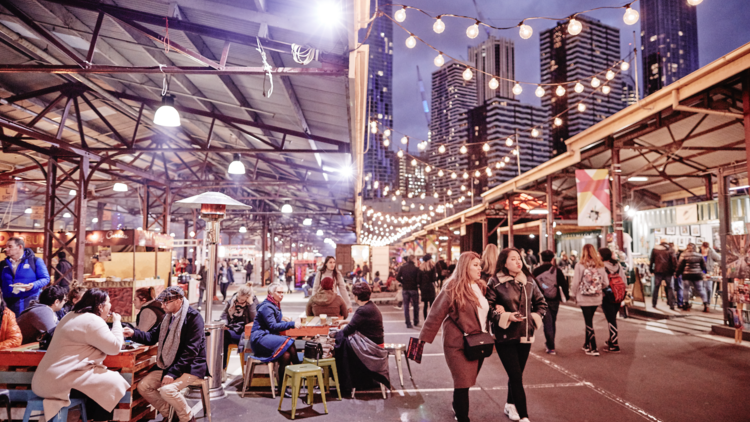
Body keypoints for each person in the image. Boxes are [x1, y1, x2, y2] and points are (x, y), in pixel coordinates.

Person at [32, 289, 130, 421]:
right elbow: (115, 347)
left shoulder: (71, 315)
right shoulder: (92, 320)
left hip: (46, 379)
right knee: (113, 383)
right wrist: (117, 322)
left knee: (103, 383)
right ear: (100, 307)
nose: (110, 307)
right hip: (61, 381)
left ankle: (88, 418)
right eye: (109, 303)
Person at [419, 252, 488, 422]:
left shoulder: (480, 286)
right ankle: (462, 416)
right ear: (465, 267)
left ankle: (457, 405)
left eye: (479, 265)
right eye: (475, 265)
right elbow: (436, 314)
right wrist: (422, 340)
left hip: (478, 342)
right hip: (457, 343)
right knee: (463, 381)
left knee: (468, 380)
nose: (480, 268)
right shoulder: (452, 287)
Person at [123, 287, 208, 422]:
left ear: (179, 301)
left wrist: (172, 373)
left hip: (191, 367)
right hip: (171, 365)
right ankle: (170, 415)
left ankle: (188, 418)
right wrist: (133, 333)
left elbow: (191, 350)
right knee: (143, 386)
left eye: (165, 302)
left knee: (167, 390)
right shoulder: (167, 318)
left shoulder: (193, 317)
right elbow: (151, 337)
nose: (162, 306)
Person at [487, 247, 547, 422]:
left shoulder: (529, 281)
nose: (518, 261)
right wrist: (504, 316)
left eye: (519, 258)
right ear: (504, 262)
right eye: (513, 259)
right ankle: (524, 416)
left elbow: (542, 303)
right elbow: (488, 309)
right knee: (515, 375)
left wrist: (534, 319)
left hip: (525, 334)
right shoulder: (495, 282)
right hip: (505, 335)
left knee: (517, 374)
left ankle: (509, 404)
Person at [334, 282, 389, 395]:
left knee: (342, 342)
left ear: (356, 296)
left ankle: (346, 381)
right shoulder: (370, 307)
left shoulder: (362, 310)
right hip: (374, 343)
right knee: (344, 341)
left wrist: (333, 335)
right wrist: (345, 321)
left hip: (371, 347)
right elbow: (358, 323)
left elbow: (347, 330)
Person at [250, 282, 302, 394]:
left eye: (282, 292)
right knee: (290, 341)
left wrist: (284, 320)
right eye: (279, 292)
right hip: (260, 339)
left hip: (267, 337)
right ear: (271, 293)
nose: (281, 294)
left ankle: (282, 389)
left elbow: (274, 323)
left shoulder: (274, 304)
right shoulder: (267, 306)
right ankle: (300, 372)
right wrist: (292, 324)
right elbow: (272, 326)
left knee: (286, 355)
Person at [570, 244, 609, 356]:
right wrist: (597, 288)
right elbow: (606, 283)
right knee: (590, 319)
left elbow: (576, 282)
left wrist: (573, 294)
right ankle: (587, 344)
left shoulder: (580, 265)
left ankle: (594, 347)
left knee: (588, 322)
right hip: (597, 298)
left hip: (584, 297)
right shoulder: (600, 265)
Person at [532, 250, 569, 355]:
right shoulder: (557, 270)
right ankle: (550, 343)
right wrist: (566, 296)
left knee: (547, 323)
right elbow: (564, 284)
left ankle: (551, 346)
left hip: (541, 301)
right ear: (553, 258)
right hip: (554, 299)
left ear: (541, 258)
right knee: (552, 322)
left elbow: (532, 286)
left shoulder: (536, 271)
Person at [0, 237, 50, 315]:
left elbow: (45, 278)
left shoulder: (35, 261)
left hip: (29, 301)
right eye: (6, 247)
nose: (6, 249)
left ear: (20, 247)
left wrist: (33, 285)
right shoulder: (3, 264)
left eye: (10, 246)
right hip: (8, 303)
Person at [220, 284, 259, 369]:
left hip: (245, 332)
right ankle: (222, 369)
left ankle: (224, 369)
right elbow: (223, 315)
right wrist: (224, 323)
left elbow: (255, 319)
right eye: (239, 298)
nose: (240, 301)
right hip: (233, 329)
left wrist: (250, 304)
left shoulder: (253, 302)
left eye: (242, 299)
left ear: (248, 297)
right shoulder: (232, 300)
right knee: (222, 336)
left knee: (224, 337)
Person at [599, 248, 626, 353]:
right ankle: (611, 340)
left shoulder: (602, 266)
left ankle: (614, 344)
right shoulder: (617, 265)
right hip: (618, 294)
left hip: (608, 295)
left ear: (602, 256)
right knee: (612, 317)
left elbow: (602, 282)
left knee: (611, 320)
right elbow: (623, 280)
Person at [676, 243, 709, 312]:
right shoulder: (699, 255)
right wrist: (705, 272)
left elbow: (680, 266)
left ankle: (686, 304)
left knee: (686, 289)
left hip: (687, 274)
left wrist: (677, 274)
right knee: (700, 289)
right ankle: (706, 304)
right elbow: (703, 266)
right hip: (697, 274)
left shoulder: (683, 255)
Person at [650, 239, 678, 310]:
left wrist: (651, 270)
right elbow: (674, 261)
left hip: (658, 271)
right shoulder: (671, 250)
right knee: (670, 288)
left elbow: (652, 260)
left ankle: (654, 303)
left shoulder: (655, 249)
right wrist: (675, 270)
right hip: (668, 271)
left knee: (656, 287)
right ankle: (672, 304)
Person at [397, 255, 421, 329]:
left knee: (406, 306)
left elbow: (397, 277)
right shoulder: (416, 269)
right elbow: (418, 279)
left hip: (405, 288)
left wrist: (403, 282)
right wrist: (416, 284)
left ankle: (408, 322)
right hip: (414, 288)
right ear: (413, 260)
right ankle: (416, 321)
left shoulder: (402, 267)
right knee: (415, 305)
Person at [418, 254, 438, 319]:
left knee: (425, 305)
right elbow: (434, 278)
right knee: (432, 305)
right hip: (430, 287)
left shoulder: (420, 268)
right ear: (429, 260)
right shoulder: (432, 267)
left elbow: (418, 280)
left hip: (423, 288)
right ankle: (432, 319)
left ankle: (425, 319)